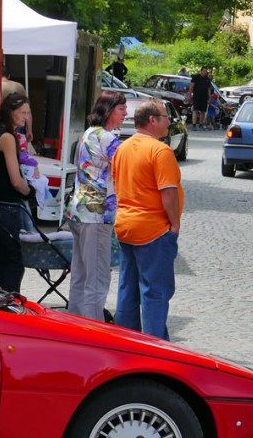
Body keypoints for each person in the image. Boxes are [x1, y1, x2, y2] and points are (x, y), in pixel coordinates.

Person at [111, 100, 184, 340]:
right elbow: (168, 192)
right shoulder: (160, 150)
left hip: (125, 226)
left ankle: (126, 342)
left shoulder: (123, 147)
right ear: (152, 120)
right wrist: (174, 225)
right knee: (155, 293)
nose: (169, 121)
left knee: (127, 290)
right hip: (152, 229)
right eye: (165, 117)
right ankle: (156, 348)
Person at [66, 90, 127, 321]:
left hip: (80, 210)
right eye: (121, 108)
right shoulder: (108, 138)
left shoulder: (89, 133)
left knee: (80, 274)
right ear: (109, 110)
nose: (125, 113)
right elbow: (126, 166)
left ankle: (74, 323)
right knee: (98, 276)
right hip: (97, 213)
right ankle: (92, 329)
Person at [0, 93, 34, 293]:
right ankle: (10, 304)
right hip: (7, 202)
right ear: (9, 112)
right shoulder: (7, 137)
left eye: (28, 112)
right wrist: (30, 191)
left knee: (1, 255)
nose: (25, 117)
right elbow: (15, 179)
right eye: (22, 112)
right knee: (15, 258)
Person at [0, 68, 32, 142]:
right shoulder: (18, 86)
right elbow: (27, 111)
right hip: (16, 121)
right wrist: (29, 130)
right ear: (8, 76)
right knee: (17, 144)